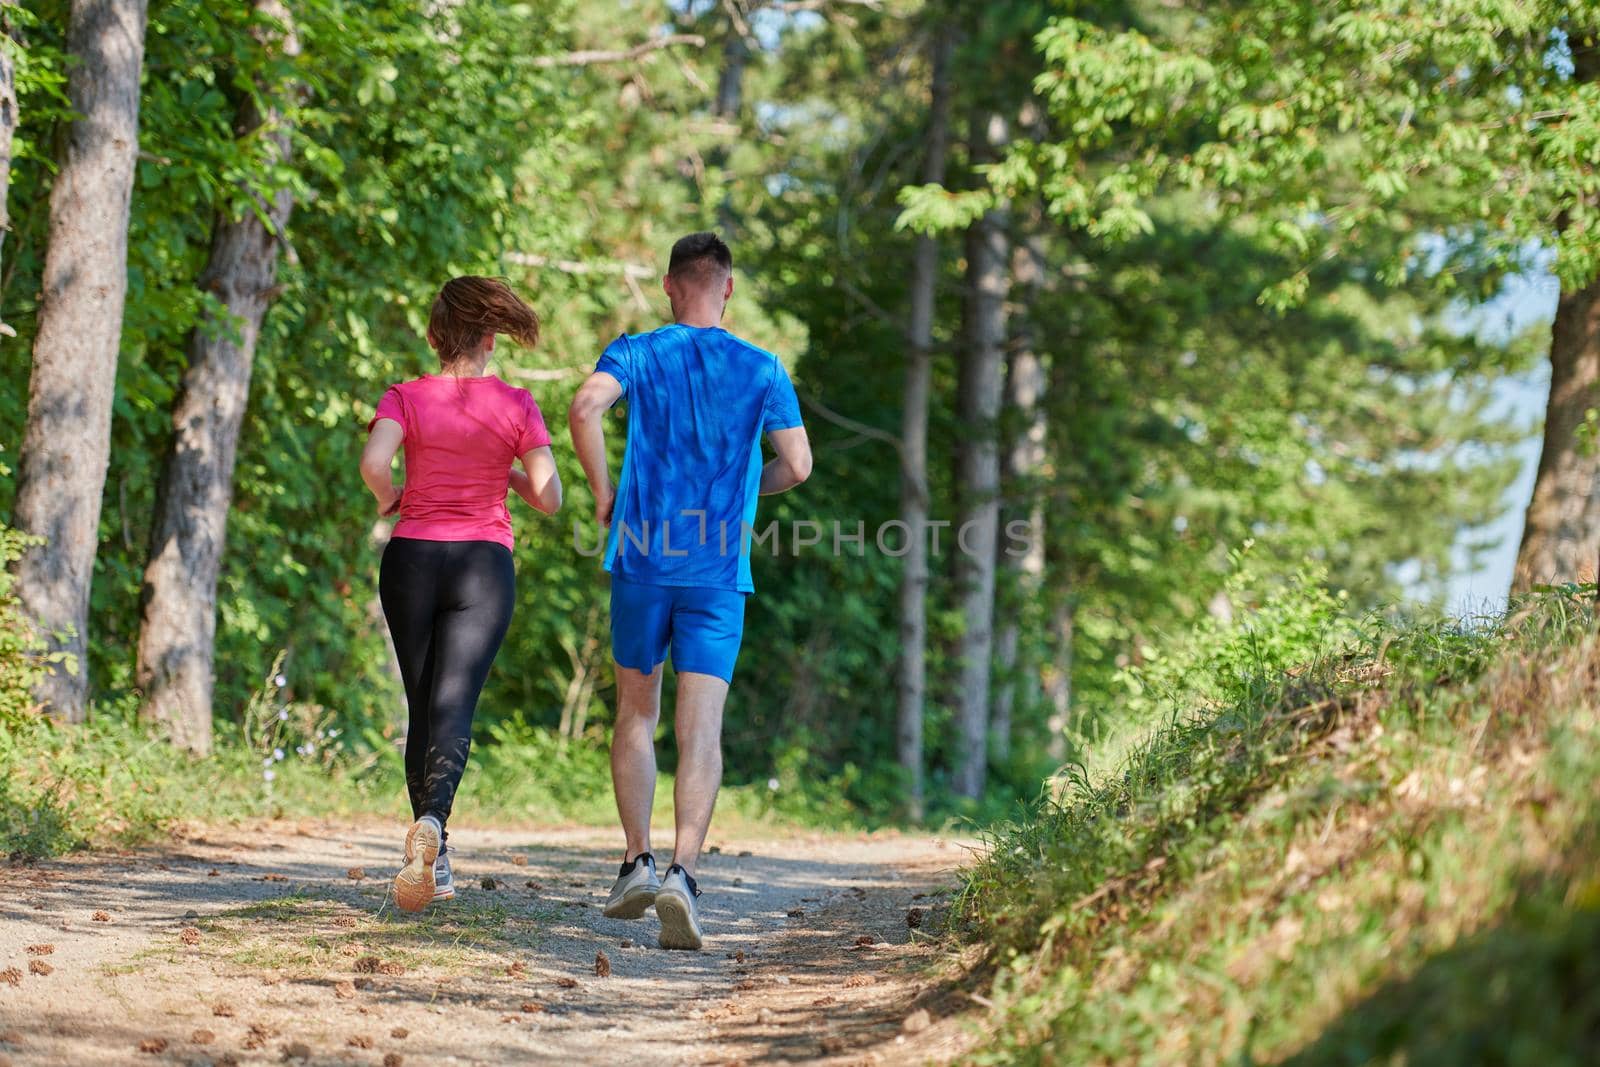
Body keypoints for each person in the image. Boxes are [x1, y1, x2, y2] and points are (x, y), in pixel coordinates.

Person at [568, 232, 812, 950]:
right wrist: (744, 488)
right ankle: (683, 874)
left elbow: (585, 409)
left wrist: (604, 494)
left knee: (635, 717)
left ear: (672, 286)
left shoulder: (640, 352)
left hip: (643, 558)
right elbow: (796, 464)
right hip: (715, 571)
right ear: (727, 288)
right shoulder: (764, 368)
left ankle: (636, 860)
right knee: (701, 728)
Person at [360, 276, 562, 913]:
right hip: (482, 562)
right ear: (489, 336)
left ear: (434, 336)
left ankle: (432, 854)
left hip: (412, 555)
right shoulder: (517, 404)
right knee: (454, 705)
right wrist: (501, 468)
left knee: (421, 704)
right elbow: (550, 496)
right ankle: (434, 829)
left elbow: (374, 463)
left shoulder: (405, 396)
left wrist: (390, 498)